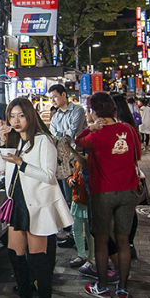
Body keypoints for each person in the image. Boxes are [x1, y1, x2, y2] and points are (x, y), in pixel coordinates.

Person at [0, 97, 73, 298]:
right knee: (14, 253)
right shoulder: (15, 140)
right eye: (12, 116)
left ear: (30, 116)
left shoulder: (43, 141)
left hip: (38, 206)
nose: (16, 121)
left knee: (38, 260)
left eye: (21, 115)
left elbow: (49, 175)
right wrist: (3, 143)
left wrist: (21, 163)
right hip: (18, 203)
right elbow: (1, 169)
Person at [76, 92, 141, 298]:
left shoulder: (96, 135)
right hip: (127, 192)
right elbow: (136, 156)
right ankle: (123, 289)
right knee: (123, 241)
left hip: (102, 192)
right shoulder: (129, 131)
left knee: (102, 241)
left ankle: (102, 286)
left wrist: (91, 127)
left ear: (94, 112)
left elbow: (79, 142)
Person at [46, 84, 85, 248]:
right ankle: (72, 233)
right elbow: (54, 136)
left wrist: (60, 138)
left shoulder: (77, 110)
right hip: (61, 161)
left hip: (75, 160)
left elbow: (70, 133)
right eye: (51, 98)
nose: (52, 100)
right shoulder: (55, 117)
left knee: (76, 198)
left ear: (64, 95)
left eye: (55, 96)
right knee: (65, 198)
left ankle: (81, 236)